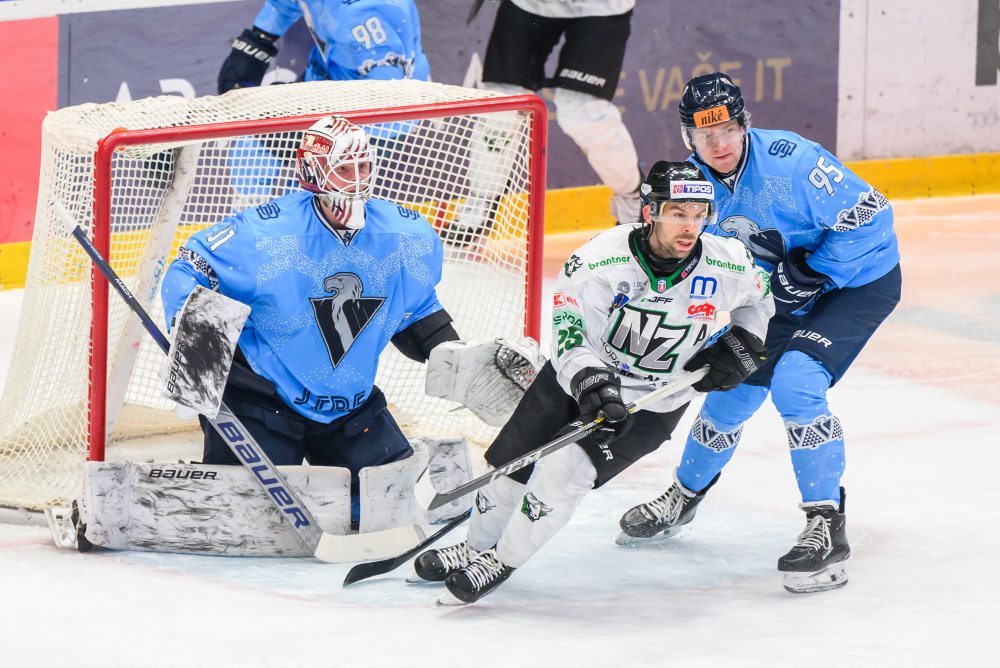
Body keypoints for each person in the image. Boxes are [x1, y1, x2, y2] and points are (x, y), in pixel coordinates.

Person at [411, 161, 775, 605]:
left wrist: (744, 341)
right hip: (575, 380)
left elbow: (761, 298)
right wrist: (593, 385)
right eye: (679, 213)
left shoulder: (728, 263)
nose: (690, 227)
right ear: (650, 212)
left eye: (699, 214)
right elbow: (568, 335)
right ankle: (473, 546)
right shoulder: (599, 259)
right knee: (510, 469)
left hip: (654, 402)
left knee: (564, 475)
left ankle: (501, 560)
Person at [617, 72, 902, 594]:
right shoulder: (695, 189)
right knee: (728, 386)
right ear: (689, 139)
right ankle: (684, 496)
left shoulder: (794, 160)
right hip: (782, 297)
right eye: (706, 136)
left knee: (796, 382)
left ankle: (825, 526)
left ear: (744, 123)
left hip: (857, 282)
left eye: (727, 129)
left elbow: (872, 218)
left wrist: (813, 271)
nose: (719, 144)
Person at [160, 116, 459, 524]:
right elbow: (189, 268)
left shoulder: (405, 236)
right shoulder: (265, 235)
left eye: (363, 167)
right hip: (264, 403)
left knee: (388, 507)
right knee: (244, 517)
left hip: (350, 409)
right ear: (314, 172)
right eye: (343, 169)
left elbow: (419, 308)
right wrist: (196, 361)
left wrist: (455, 355)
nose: (356, 181)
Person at [457, 0, 643, 235]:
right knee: (501, 105)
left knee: (583, 113)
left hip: (600, 6)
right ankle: (480, 200)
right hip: (530, 4)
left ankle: (632, 194)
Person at [216, 0, 429, 93]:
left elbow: (388, 100)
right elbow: (287, 4)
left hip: (370, 125)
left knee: (321, 180)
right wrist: (260, 39)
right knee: (254, 152)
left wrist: (313, 113)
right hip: (329, 75)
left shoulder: (367, 14)